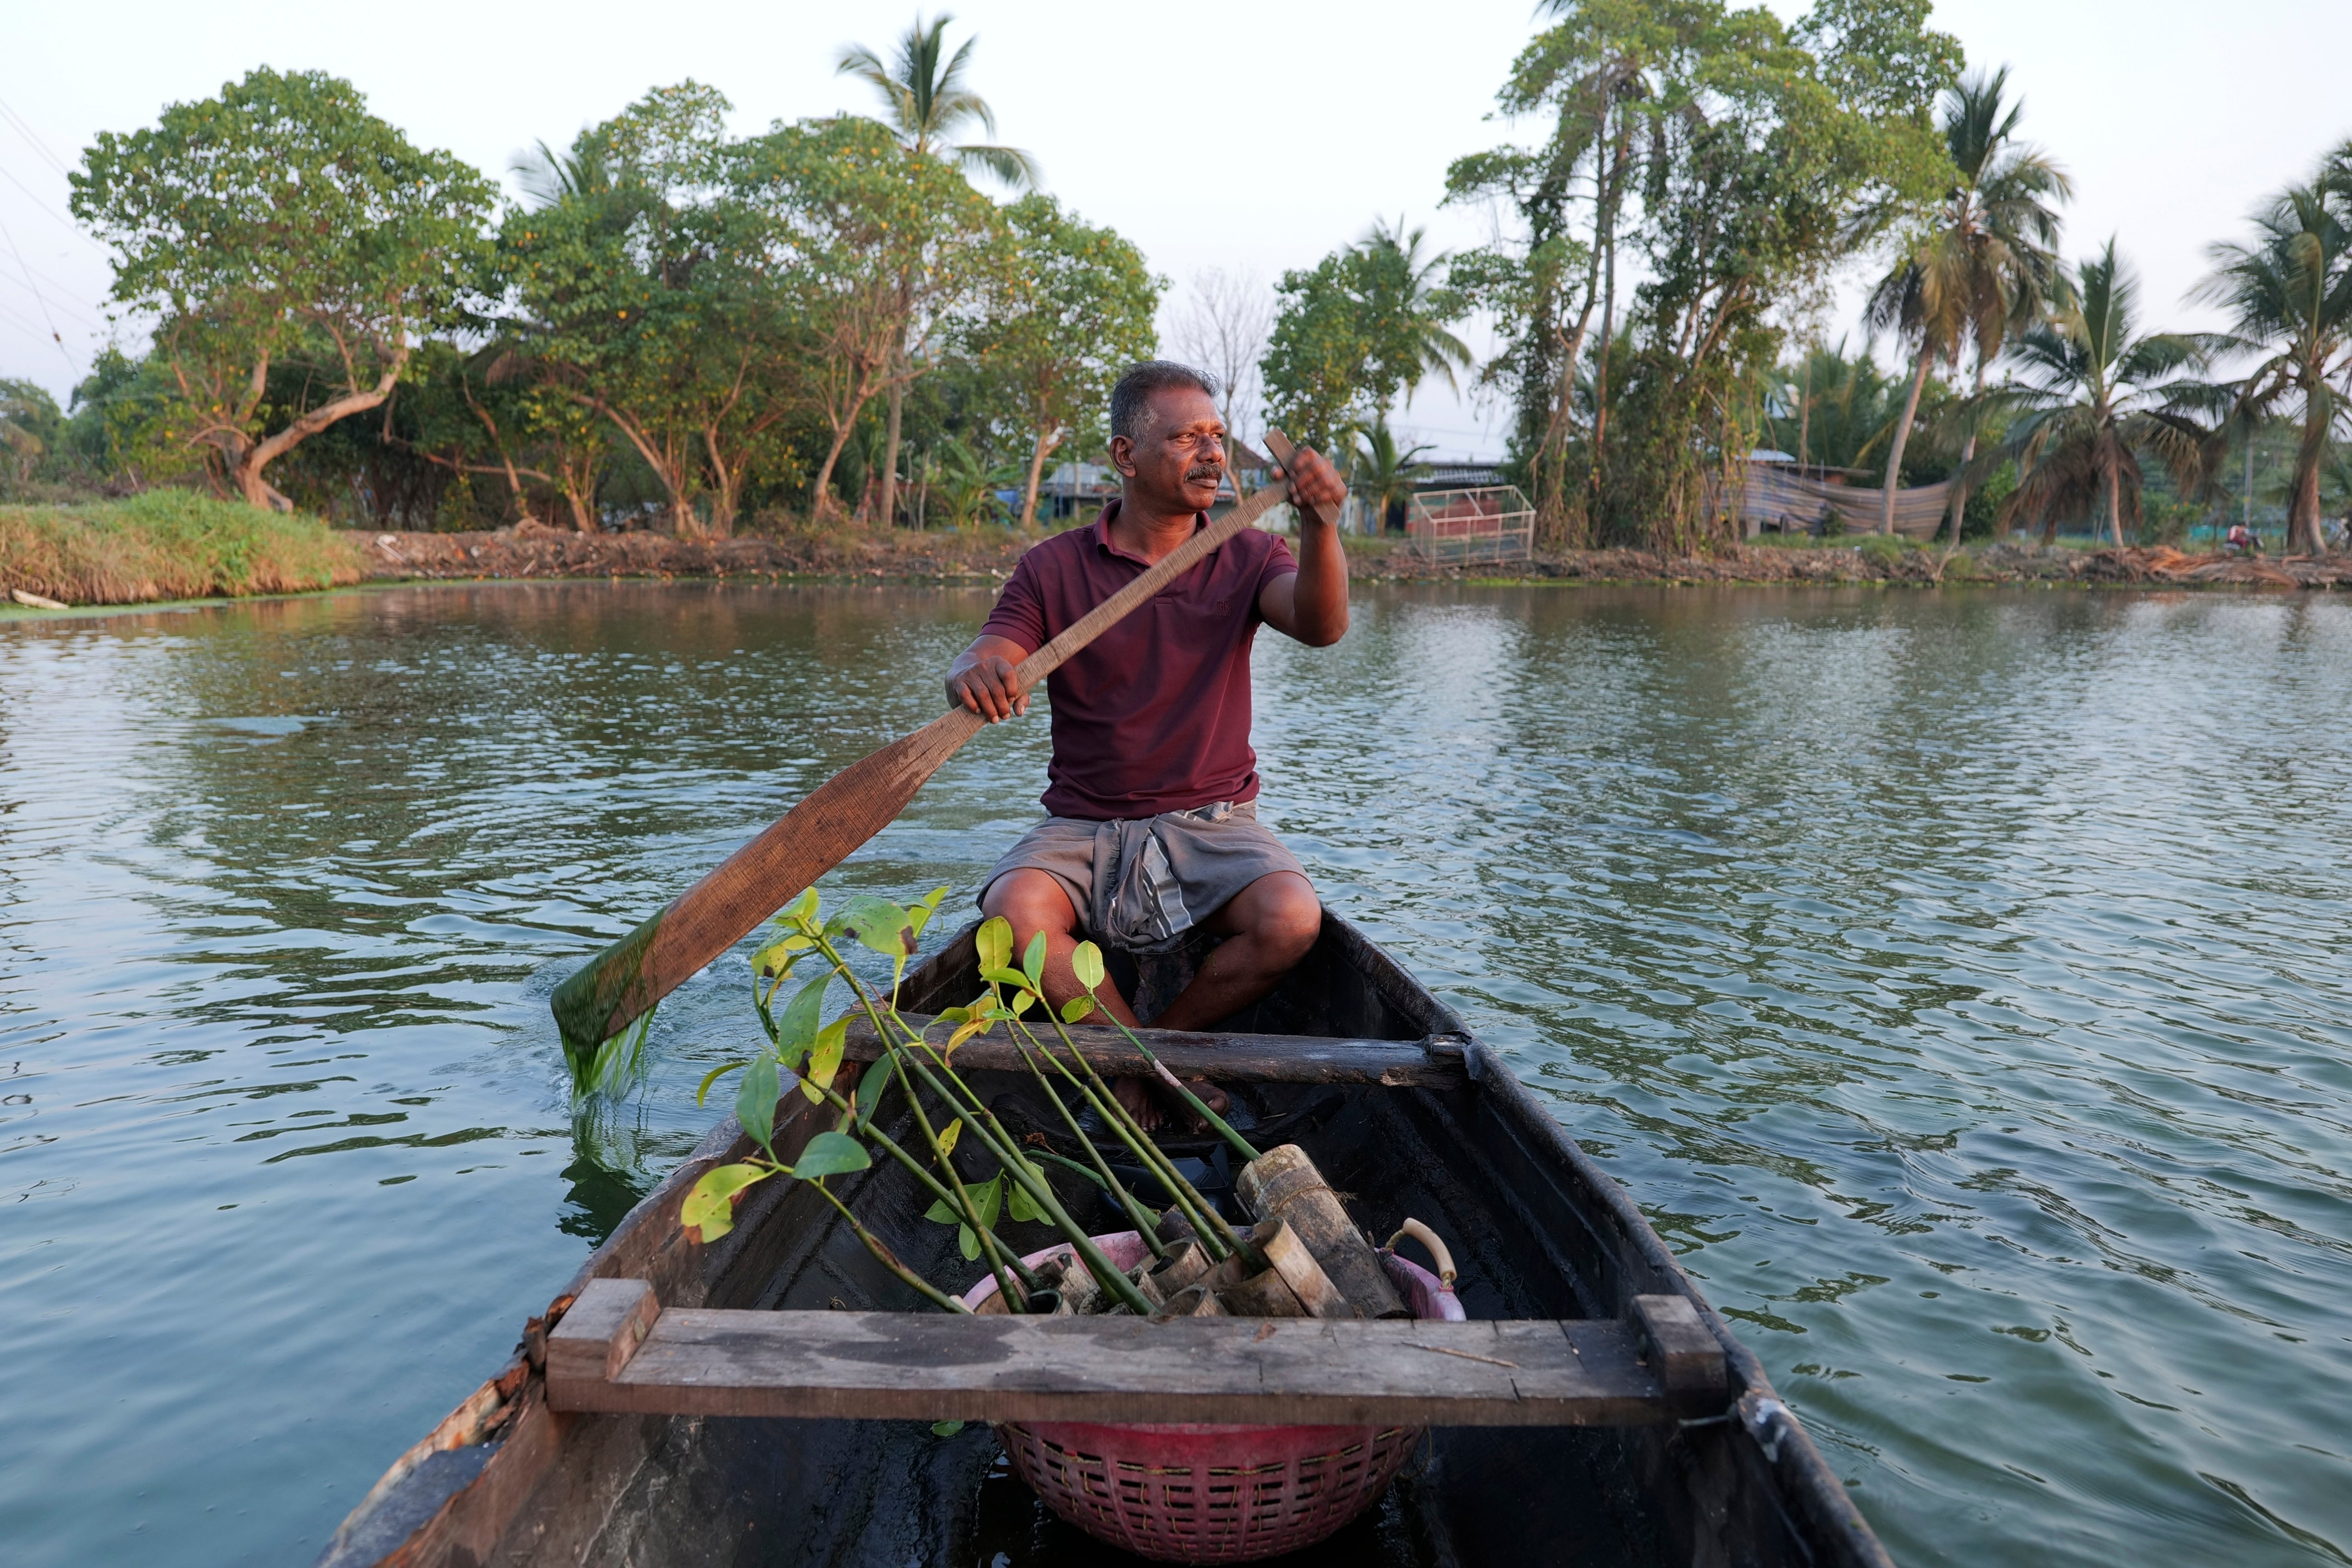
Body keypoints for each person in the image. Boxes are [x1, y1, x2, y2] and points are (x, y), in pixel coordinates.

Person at [944, 361, 1349, 1128]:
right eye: (1186, 438)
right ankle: (1160, 1071)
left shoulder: (1251, 556)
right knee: (1013, 914)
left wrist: (1321, 524)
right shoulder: (1053, 566)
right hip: (1084, 825)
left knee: (1294, 919)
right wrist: (974, 673)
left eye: (1218, 438)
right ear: (1126, 455)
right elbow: (992, 650)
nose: (1212, 454)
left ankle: (1143, 1061)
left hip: (1214, 822)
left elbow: (1322, 627)